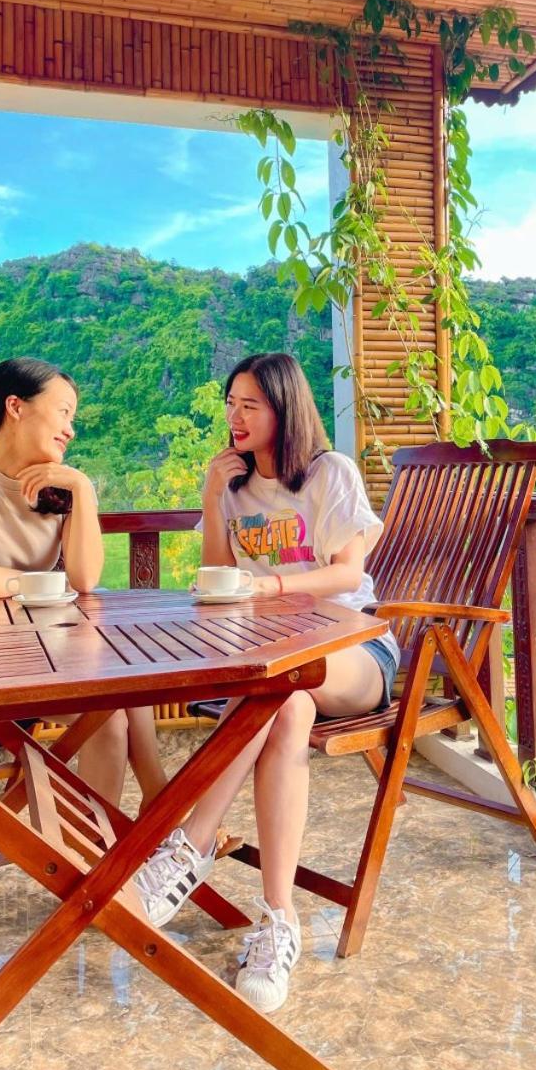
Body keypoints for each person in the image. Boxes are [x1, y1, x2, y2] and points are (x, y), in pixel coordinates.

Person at [134, 352, 399, 1013]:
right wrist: (211, 497)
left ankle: (192, 845)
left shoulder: (330, 472)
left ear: (284, 408)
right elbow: (216, 577)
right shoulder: (236, 484)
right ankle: (279, 920)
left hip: (352, 648)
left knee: (280, 687)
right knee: (285, 702)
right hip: (275, 667)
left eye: (250, 404)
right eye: (231, 403)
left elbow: (347, 573)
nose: (236, 416)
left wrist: (273, 585)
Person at [0, 357, 167, 809]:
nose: (71, 430)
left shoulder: (59, 492)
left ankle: (122, 833)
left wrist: (83, 490)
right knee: (114, 688)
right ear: (15, 406)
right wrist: (46, 584)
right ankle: (160, 801)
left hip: (47, 658)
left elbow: (84, 579)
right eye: (64, 412)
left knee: (116, 689)